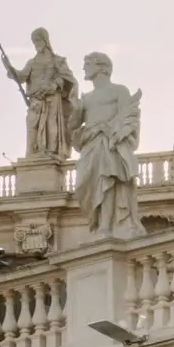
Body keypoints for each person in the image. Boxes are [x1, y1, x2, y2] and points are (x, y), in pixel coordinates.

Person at [69, 52, 141, 239]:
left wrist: (111, 131)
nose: (84, 68)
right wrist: (75, 106)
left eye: (87, 64)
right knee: (89, 185)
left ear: (100, 66)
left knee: (107, 181)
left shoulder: (119, 91)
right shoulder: (86, 98)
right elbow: (73, 125)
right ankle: (99, 223)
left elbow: (128, 118)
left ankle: (106, 226)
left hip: (109, 144)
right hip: (90, 145)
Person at [9, 28, 78, 159]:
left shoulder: (57, 60)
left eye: (38, 40)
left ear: (45, 40)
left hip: (52, 98)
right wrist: (11, 69)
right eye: (34, 41)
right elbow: (21, 76)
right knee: (32, 125)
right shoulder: (31, 62)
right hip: (36, 100)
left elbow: (68, 78)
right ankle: (33, 153)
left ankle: (51, 152)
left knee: (52, 125)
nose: (36, 44)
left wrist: (55, 84)